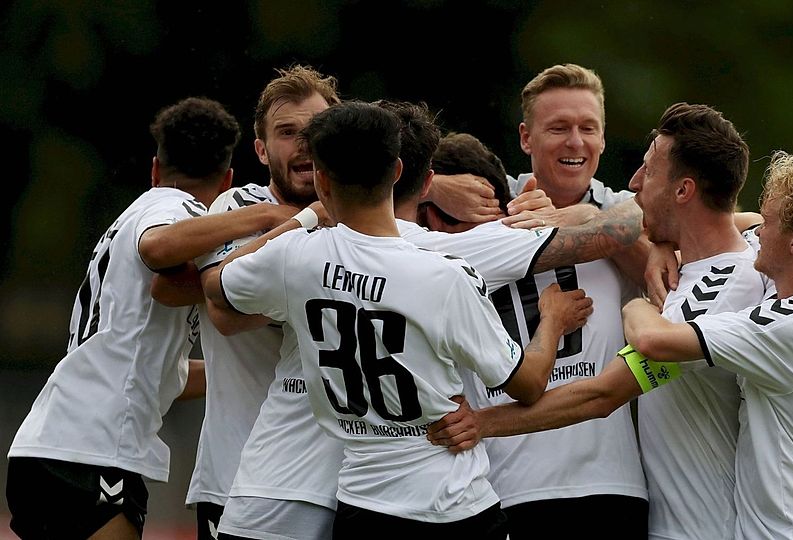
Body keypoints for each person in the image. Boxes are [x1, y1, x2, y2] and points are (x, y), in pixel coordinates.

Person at [205, 101, 592, 538]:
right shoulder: (443, 274)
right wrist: (552, 320)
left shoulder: (294, 257)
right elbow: (528, 384)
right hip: (451, 505)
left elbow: (217, 284)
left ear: (322, 180)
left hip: (361, 505)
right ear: (397, 172)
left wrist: (304, 218)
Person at [430, 102, 765, 539]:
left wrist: (482, 422)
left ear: (683, 191)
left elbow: (605, 392)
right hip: (654, 516)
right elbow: (744, 224)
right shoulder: (699, 266)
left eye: (649, 172)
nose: (633, 183)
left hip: (705, 528)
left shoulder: (714, 293)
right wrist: (661, 241)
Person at [4, 97, 291, 539]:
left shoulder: (126, 217)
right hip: (94, 450)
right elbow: (157, 248)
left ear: (155, 168)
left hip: (46, 445)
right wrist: (268, 214)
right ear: (228, 180)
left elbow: (157, 369)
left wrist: (246, 371)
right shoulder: (174, 207)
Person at [441, 63, 650, 538]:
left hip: (610, 483)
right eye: (558, 128)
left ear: (603, 138)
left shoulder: (624, 211)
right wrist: (434, 186)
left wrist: (582, 216)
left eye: (588, 128)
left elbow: (675, 252)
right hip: (502, 483)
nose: (575, 142)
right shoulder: (483, 204)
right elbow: (373, 211)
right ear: (525, 137)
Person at [618, 151, 793, 539]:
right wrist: (664, 243)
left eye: (770, 224)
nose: (758, 232)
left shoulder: (789, 329)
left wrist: (635, 304)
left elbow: (654, 340)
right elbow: (735, 224)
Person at [181, 64, 342, 540]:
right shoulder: (237, 207)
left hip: (343, 483)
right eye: (287, 132)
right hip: (238, 479)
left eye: (315, 131)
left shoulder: (365, 217)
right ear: (261, 149)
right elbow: (225, 313)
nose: (304, 145)